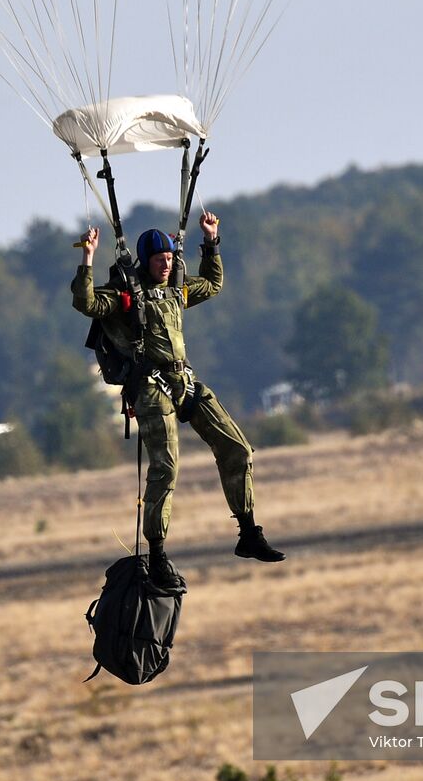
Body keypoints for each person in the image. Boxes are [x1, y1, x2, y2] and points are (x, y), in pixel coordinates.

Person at [71, 212, 285, 592]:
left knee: (237, 448)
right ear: (146, 262)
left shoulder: (176, 290)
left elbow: (214, 284)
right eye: (160, 261)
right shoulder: (125, 296)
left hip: (183, 379)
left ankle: (248, 532)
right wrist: (87, 259)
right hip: (150, 388)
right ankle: (157, 556)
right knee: (166, 467)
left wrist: (211, 241)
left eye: (170, 259)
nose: (167, 266)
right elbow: (86, 303)